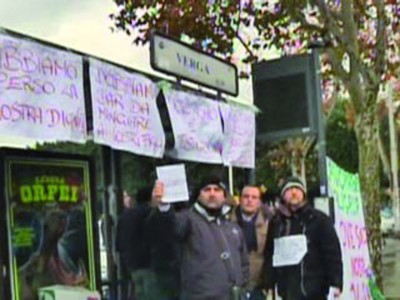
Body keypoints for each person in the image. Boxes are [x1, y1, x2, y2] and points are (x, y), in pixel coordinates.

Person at [151, 175, 250, 300]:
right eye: (207, 190)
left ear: (224, 196)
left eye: (217, 190)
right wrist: (164, 207)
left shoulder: (232, 227)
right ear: (199, 195)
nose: (212, 194)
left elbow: (244, 263)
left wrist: (244, 288)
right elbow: (170, 228)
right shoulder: (187, 220)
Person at [263, 177, 343, 300]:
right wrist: (268, 282)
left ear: (304, 194)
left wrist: (336, 283)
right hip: (287, 291)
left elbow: (332, 254)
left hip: (315, 291)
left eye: (297, 189)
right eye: (289, 190)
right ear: (283, 195)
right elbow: (270, 253)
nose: (294, 192)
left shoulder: (319, 219)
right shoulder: (277, 222)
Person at [231, 185, 273, 300]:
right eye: (246, 196)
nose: (250, 200)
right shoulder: (226, 223)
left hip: (258, 287)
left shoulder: (270, 223)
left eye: (254, 197)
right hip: (231, 286)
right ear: (239, 200)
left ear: (259, 202)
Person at [116, 187, 153, 300]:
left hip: (130, 263)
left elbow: (118, 241)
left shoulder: (125, 215)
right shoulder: (152, 213)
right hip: (149, 263)